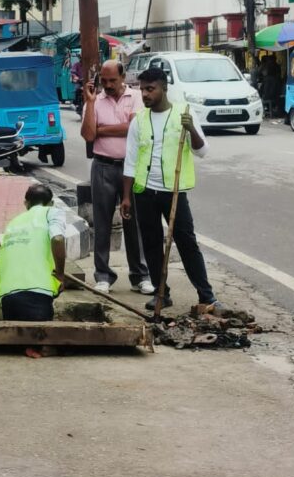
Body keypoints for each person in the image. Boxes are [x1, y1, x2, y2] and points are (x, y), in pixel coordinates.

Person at [121, 67, 223, 312]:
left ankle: (206, 295)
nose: (144, 94)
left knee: (186, 241)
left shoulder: (184, 113)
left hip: (174, 192)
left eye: (150, 89)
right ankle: (161, 293)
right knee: (152, 243)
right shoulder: (139, 120)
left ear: (164, 88)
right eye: (141, 89)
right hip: (144, 191)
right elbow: (130, 160)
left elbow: (202, 151)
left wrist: (191, 130)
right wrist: (126, 197)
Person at [80, 60, 153, 296]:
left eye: (113, 80)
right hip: (103, 166)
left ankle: (140, 275)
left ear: (123, 78)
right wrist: (91, 104)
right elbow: (89, 134)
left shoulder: (136, 98)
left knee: (135, 223)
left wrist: (103, 129)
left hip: (131, 168)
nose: (108, 85)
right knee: (102, 224)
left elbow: (135, 129)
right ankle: (103, 276)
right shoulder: (94, 102)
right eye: (104, 80)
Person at [0, 183, 66, 324]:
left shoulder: (13, 222)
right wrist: (60, 274)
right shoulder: (51, 212)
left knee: (19, 341)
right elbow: (57, 238)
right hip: (37, 292)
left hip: (7, 295)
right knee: (40, 342)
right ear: (51, 203)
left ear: (26, 203)